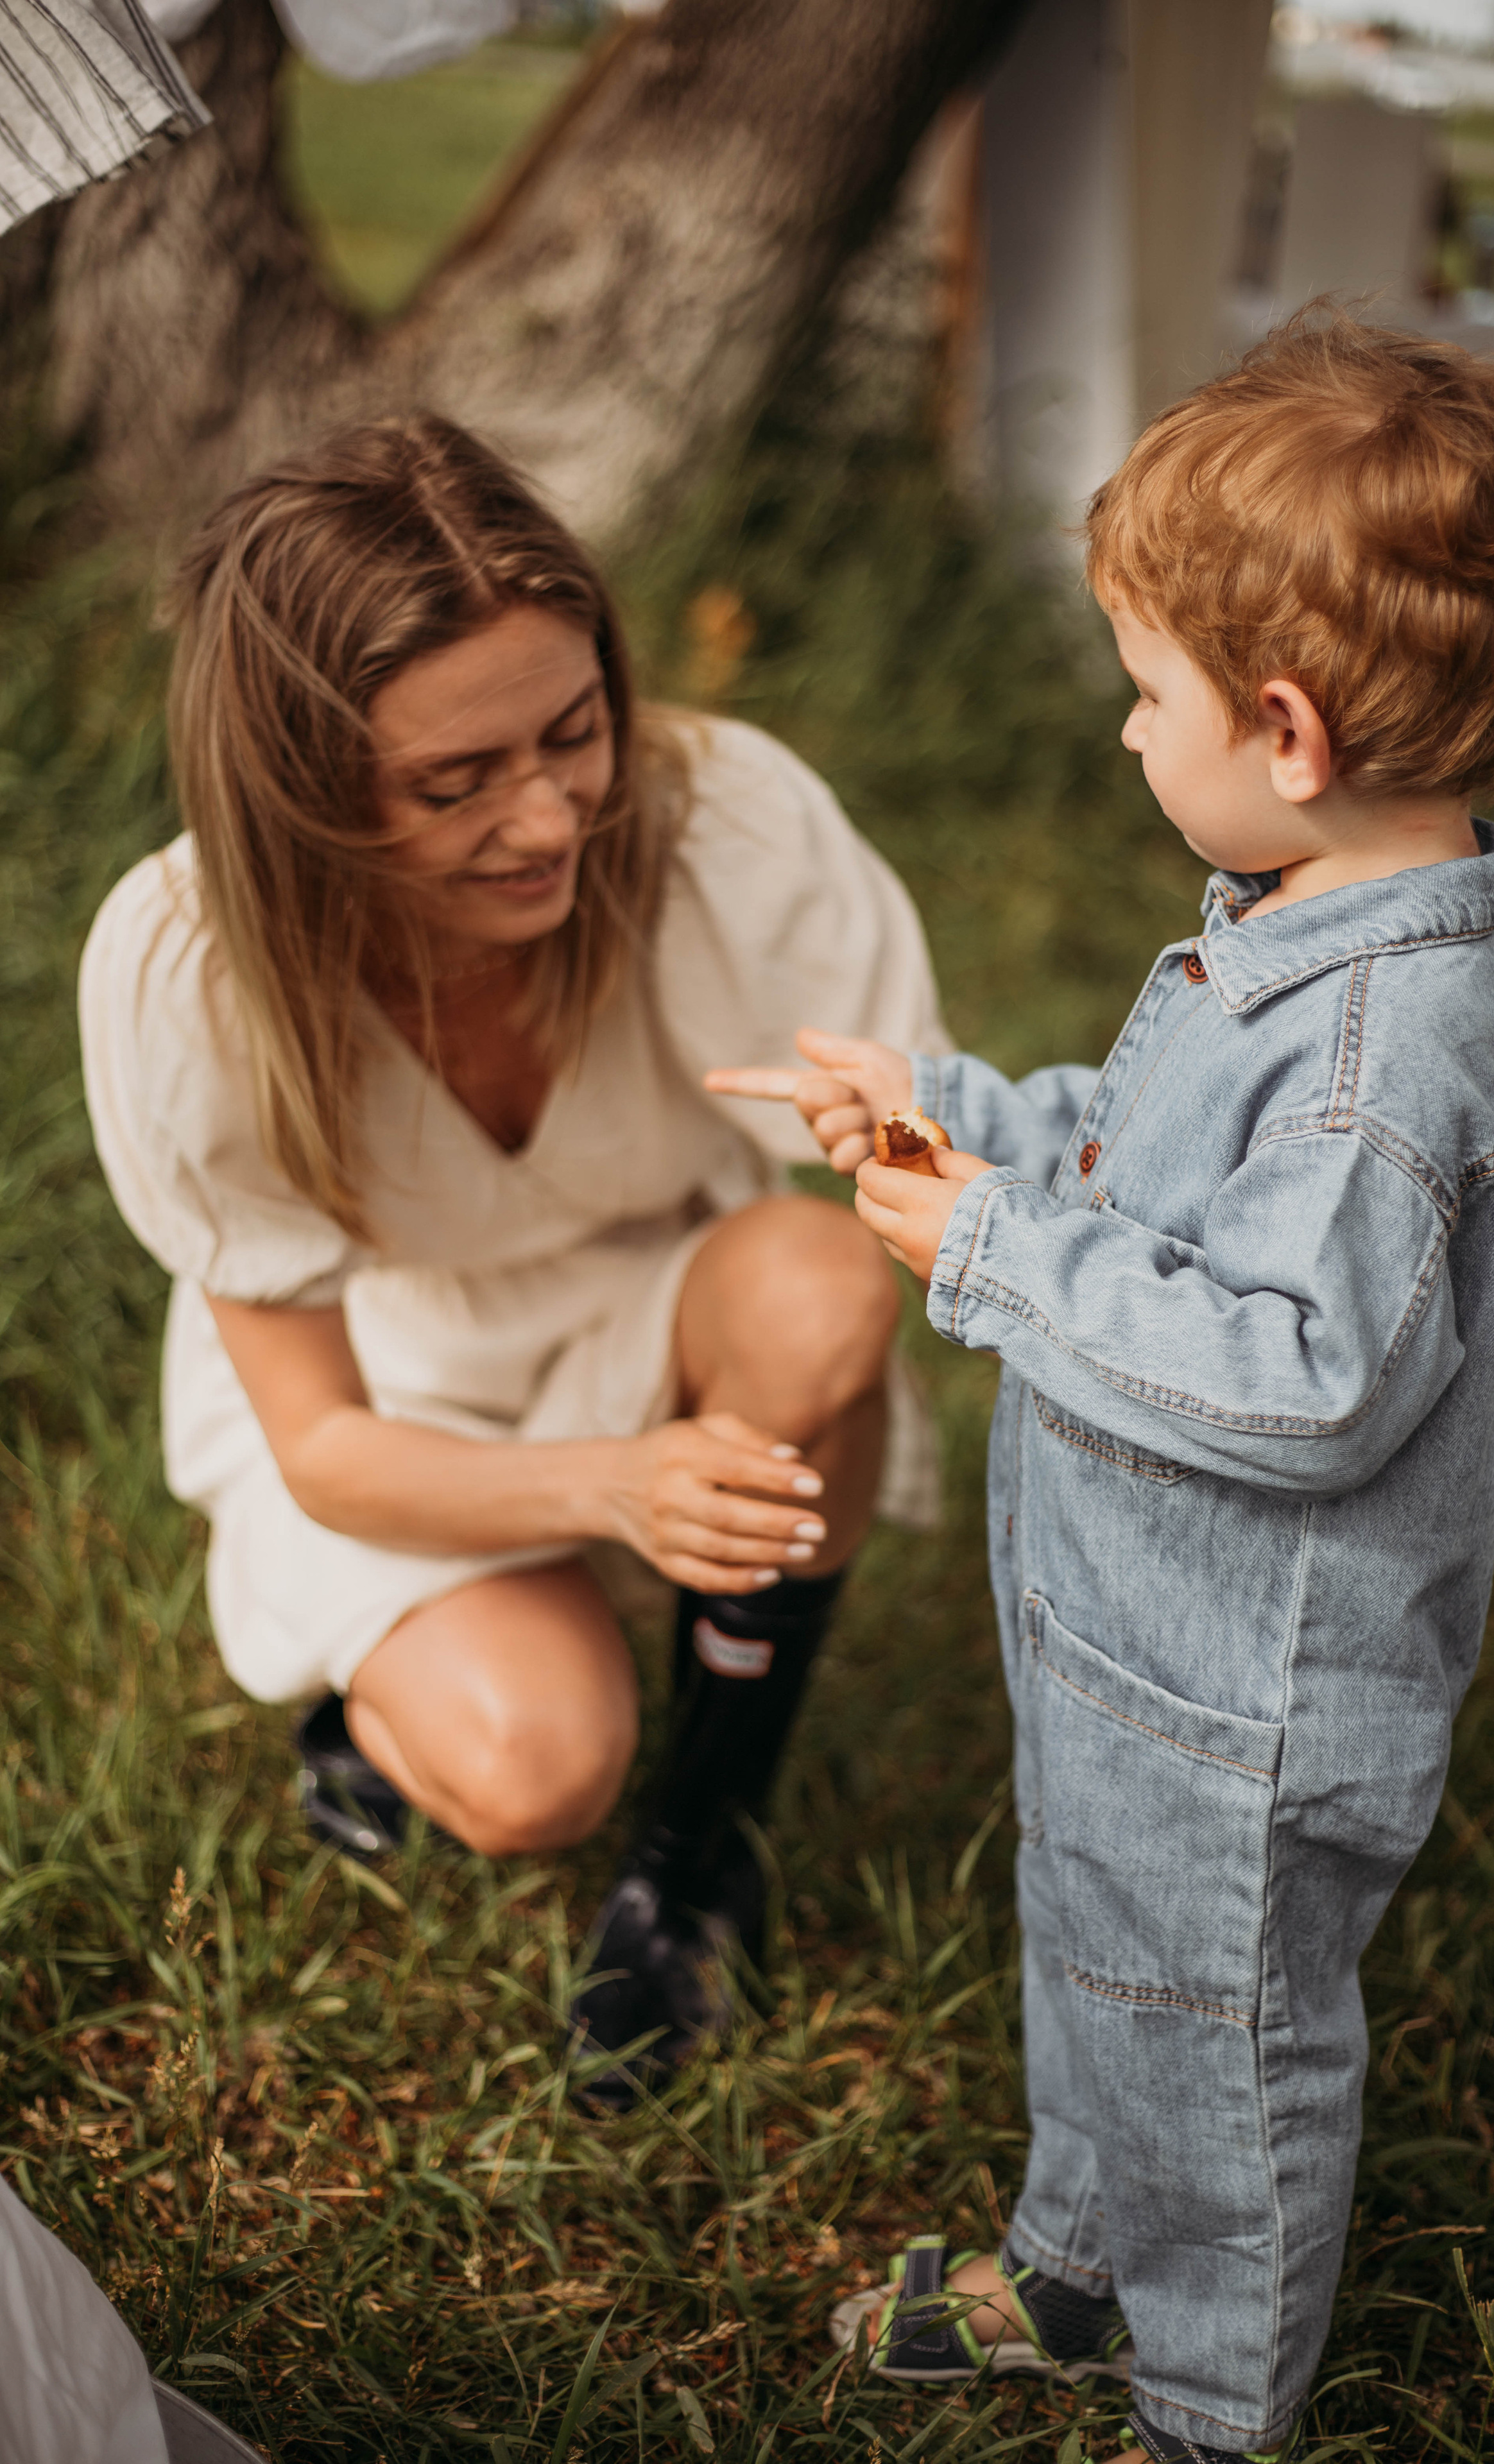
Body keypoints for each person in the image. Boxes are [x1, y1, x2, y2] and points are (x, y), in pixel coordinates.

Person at [714, 314, 1494, 2458]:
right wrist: (943, 1117)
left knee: (1218, 2045)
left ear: (1284, 728)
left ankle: (1206, 2405)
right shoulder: (1286, 919)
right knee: (1106, 1974)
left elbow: (1307, 1379)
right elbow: (1152, 1171)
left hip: (1249, 1703)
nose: (1128, 737)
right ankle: (1073, 2266)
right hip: (1138, 1651)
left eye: (1146, 691)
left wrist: (1003, 1259)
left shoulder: (1391, 1054)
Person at [78, 412, 947, 2103]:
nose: (548, 821)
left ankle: (700, 1846)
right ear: (304, 794)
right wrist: (617, 1488)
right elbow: (321, 1442)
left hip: (657, 1289)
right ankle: (377, 1697)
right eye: (454, 784)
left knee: (825, 1286)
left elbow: (911, 1151)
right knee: (533, 1770)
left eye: (573, 732)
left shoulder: (719, 821)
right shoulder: (189, 969)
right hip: (386, 1388)